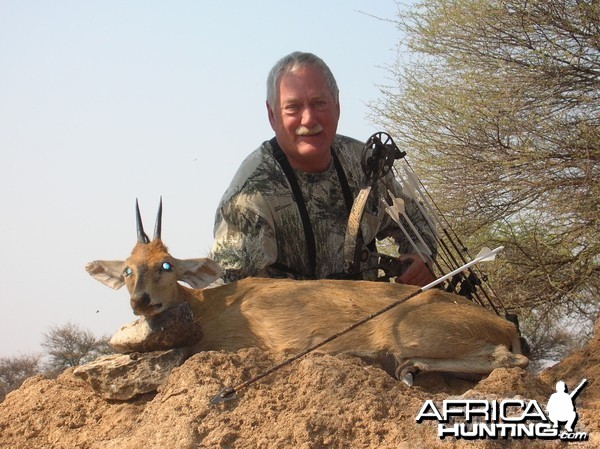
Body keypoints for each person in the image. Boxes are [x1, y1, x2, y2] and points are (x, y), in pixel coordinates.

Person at [210, 51, 436, 285]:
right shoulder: (249, 197)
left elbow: (419, 223)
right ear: (272, 115)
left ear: (337, 105)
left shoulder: (366, 163)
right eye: (293, 107)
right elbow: (231, 292)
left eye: (319, 103)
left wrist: (419, 258)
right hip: (293, 321)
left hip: (377, 316)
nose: (308, 119)